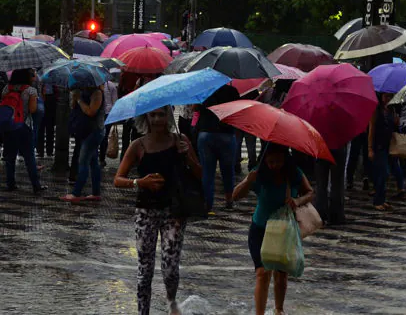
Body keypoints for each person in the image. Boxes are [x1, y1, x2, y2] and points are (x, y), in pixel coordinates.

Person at [114, 106, 201, 315]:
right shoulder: (138, 145)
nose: (157, 119)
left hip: (174, 211)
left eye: (161, 114)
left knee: (170, 267)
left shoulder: (180, 140)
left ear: (168, 116)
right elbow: (118, 179)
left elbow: (200, 173)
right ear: (146, 118)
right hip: (146, 212)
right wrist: (139, 182)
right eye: (152, 115)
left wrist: (187, 155)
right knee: (145, 270)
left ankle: (172, 304)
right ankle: (143, 311)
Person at [233, 144, 313, 315]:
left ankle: (279, 309)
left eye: (278, 161)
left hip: (283, 232)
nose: (274, 165)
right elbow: (235, 196)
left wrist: (297, 201)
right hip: (260, 229)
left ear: (285, 159)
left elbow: (309, 192)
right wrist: (248, 181)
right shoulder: (259, 173)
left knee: (281, 274)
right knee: (262, 273)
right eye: (270, 162)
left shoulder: (294, 173)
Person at [196, 84, 240, 212]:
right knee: (227, 170)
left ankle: (207, 204)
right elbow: (236, 111)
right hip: (226, 133)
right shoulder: (232, 90)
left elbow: (195, 108)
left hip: (206, 133)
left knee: (208, 172)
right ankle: (229, 200)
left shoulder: (204, 89)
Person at [2, 69, 47, 193]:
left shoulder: (7, 88)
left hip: (9, 125)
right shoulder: (30, 90)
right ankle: (36, 186)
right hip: (24, 125)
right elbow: (33, 110)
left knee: (10, 157)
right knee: (29, 157)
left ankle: (10, 184)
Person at [61, 82, 105, 202]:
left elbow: (91, 111)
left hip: (94, 132)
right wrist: (75, 98)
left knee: (83, 161)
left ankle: (76, 193)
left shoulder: (97, 93)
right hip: (84, 131)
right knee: (93, 162)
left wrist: (79, 99)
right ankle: (96, 193)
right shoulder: (82, 91)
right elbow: (74, 108)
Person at [368, 93, 404, 211]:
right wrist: (370, 148)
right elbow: (371, 129)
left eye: (390, 96)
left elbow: (393, 128)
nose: (388, 99)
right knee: (383, 173)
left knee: (385, 174)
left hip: (389, 146)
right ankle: (378, 201)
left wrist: (396, 123)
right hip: (379, 146)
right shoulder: (376, 110)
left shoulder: (391, 110)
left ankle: (382, 199)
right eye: (386, 96)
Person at [315, 144, 348, 225]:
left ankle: (321, 214)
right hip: (338, 148)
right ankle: (336, 215)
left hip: (321, 148)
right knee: (337, 184)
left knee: (321, 184)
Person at [99, 79, 118, 167]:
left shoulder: (110, 85)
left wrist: (114, 116)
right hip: (98, 113)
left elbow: (114, 101)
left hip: (107, 114)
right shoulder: (95, 85)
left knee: (104, 136)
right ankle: (99, 158)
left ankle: (101, 158)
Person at [37, 83, 58, 158]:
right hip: (40, 99)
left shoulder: (53, 77)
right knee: (41, 128)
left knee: (50, 127)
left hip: (51, 99)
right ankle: (40, 151)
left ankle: (49, 151)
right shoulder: (38, 77)